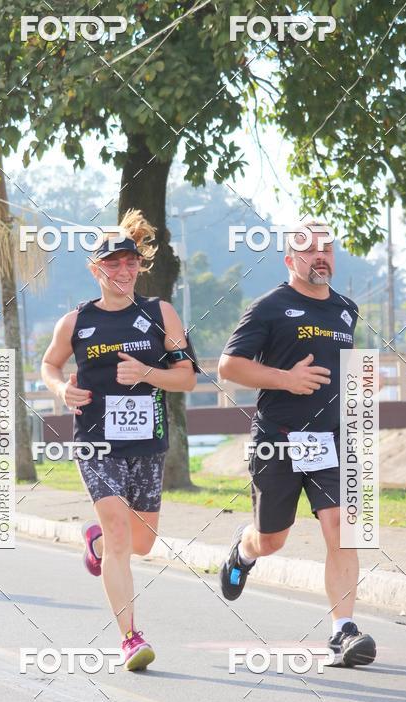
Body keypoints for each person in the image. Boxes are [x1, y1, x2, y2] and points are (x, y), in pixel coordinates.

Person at [41, 210, 197, 671]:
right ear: (96, 270)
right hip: (95, 441)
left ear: (139, 266)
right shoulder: (76, 322)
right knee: (117, 531)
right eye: (113, 264)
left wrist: (149, 373)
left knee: (141, 543)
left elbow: (186, 377)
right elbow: (49, 365)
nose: (123, 271)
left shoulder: (160, 313)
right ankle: (130, 637)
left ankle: (95, 545)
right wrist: (60, 389)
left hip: (147, 442)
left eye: (130, 262)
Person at [217, 223, 376, 667]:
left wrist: (362, 381)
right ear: (290, 261)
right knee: (273, 539)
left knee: (341, 528)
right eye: (309, 251)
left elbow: (340, 368)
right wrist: (286, 380)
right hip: (279, 440)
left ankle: (343, 630)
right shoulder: (270, 307)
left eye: (327, 249)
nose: (320, 256)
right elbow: (229, 366)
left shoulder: (347, 309)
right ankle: (244, 550)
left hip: (332, 440)